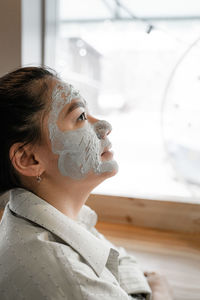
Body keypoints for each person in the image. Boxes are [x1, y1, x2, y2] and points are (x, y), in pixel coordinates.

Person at [0, 67, 172, 300]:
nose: (104, 125)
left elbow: (119, 260)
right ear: (29, 159)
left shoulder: (56, 216)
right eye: (80, 116)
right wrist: (161, 290)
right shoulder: (69, 277)